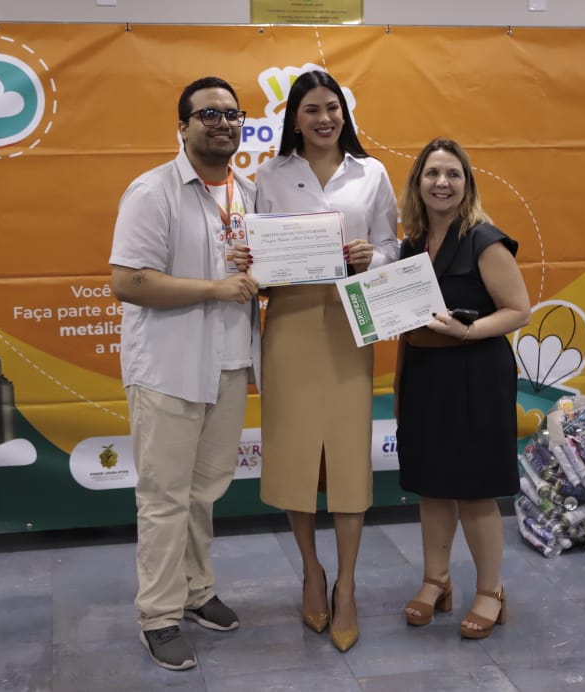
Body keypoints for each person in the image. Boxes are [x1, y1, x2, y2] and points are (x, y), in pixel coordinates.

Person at [109, 76, 261, 671]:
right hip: (169, 370)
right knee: (165, 498)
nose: (222, 123)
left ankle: (197, 592)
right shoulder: (153, 191)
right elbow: (128, 281)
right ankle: (158, 615)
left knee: (205, 492)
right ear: (183, 126)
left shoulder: (247, 193)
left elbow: (261, 274)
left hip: (229, 365)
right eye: (208, 115)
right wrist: (215, 288)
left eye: (231, 114)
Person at [254, 70, 398, 652]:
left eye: (332, 107)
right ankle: (312, 572)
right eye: (312, 109)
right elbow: (259, 255)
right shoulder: (270, 175)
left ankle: (348, 586)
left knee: (346, 459)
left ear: (344, 113)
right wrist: (254, 263)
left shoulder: (371, 173)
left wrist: (372, 257)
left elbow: (392, 246)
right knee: (294, 455)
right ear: (294, 117)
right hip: (289, 323)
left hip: (348, 324)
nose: (324, 118)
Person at [394, 138, 530, 639]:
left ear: (467, 184)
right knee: (432, 486)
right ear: (418, 183)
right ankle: (437, 581)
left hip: (476, 376)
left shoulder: (484, 240)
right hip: (426, 376)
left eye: (453, 174)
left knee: (474, 491)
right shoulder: (410, 246)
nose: (442, 182)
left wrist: (468, 331)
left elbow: (518, 310)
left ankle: (491, 591)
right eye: (432, 173)